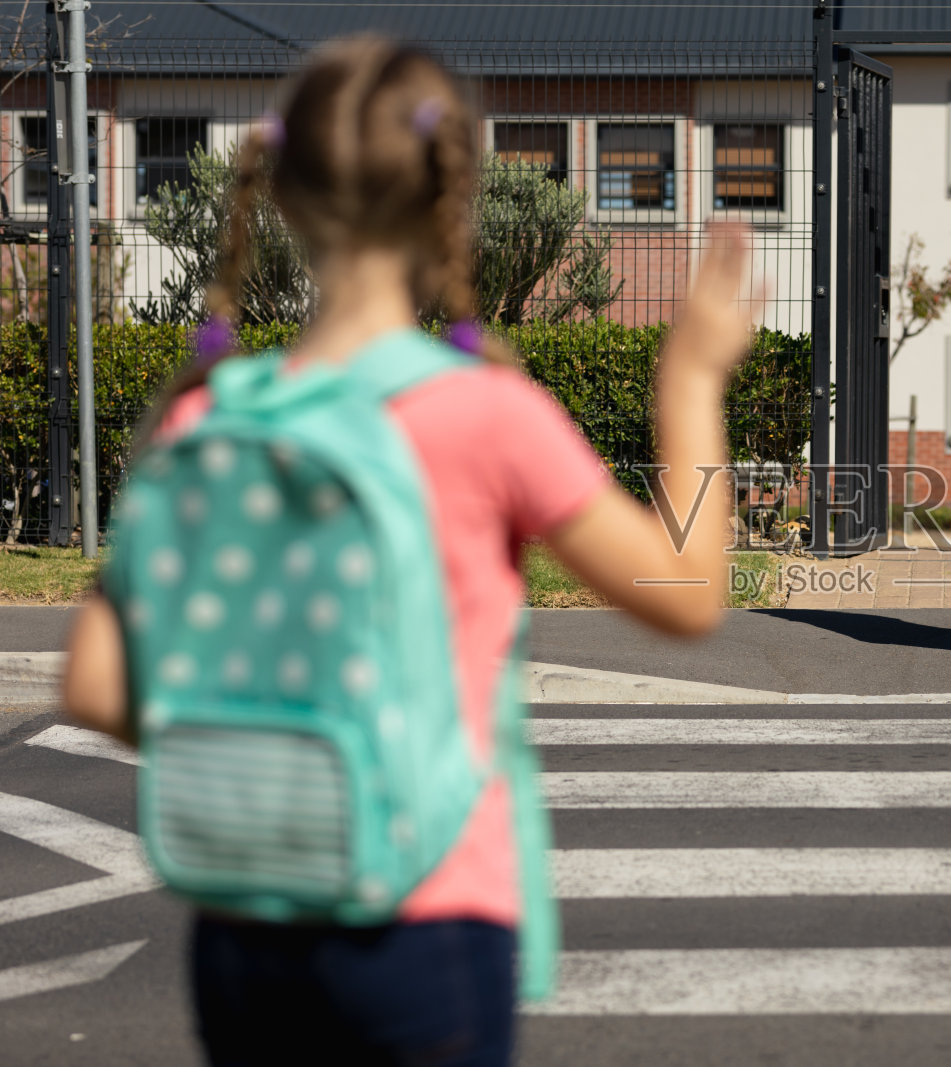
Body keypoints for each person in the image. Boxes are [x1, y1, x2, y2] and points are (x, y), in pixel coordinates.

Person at [61, 37, 755, 1066]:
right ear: (451, 201)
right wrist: (691, 380)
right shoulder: (485, 414)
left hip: (243, 923)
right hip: (425, 913)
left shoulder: (207, 414)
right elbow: (685, 589)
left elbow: (94, 682)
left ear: (280, 196)